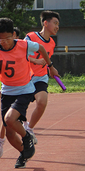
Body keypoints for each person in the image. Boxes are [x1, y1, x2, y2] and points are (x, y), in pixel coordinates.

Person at [0, 17, 52, 169]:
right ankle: (24, 153)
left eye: (8, 38)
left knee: (10, 119)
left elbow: (41, 49)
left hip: (25, 90)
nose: (4, 42)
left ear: (14, 34)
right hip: (7, 91)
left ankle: (27, 136)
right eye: (0, 39)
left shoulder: (24, 45)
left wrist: (50, 65)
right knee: (10, 133)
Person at [22, 11, 61, 143]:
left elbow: (47, 60)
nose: (57, 27)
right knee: (19, 108)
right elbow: (20, 53)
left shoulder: (52, 44)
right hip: (25, 78)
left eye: (58, 24)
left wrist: (50, 69)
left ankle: (29, 129)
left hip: (40, 77)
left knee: (42, 102)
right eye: (55, 23)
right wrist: (35, 61)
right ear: (46, 23)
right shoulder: (31, 37)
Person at [0, 27, 19, 158]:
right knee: (7, 120)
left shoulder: (22, 50)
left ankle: (28, 133)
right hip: (8, 88)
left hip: (24, 87)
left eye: (10, 39)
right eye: (4, 39)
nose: (8, 42)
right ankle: (0, 141)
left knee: (13, 118)